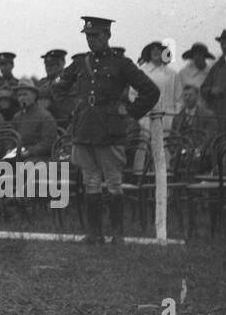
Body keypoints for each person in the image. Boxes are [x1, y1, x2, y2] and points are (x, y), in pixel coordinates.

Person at [49, 16, 158, 244]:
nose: (91, 40)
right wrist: (71, 109)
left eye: (96, 36)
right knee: (90, 181)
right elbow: (58, 86)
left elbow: (150, 90)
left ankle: (117, 234)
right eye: (88, 36)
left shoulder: (122, 63)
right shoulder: (79, 64)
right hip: (83, 129)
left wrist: (130, 114)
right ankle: (95, 234)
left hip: (110, 131)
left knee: (113, 182)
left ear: (108, 36)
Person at [135, 41, 181, 172]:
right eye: (153, 50)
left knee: (165, 145)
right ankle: (139, 176)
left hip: (167, 116)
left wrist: (174, 114)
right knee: (143, 145)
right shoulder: (141, 72)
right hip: (146, 116)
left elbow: (178, 97)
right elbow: (133, 94)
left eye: (159, 50)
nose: (156, 52)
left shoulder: (172, 74)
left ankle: (167, 176)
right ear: (149, 53)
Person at [11, 80, 57, 161]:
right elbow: (12, 138)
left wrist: (30, 152)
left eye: (25, 94)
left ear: (34, 95)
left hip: (38, 158)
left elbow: (48, 142)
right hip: (18, 155)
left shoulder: (45, 116)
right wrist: (10, 150)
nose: (21, 98)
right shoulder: (17, 117)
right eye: (19, 95)